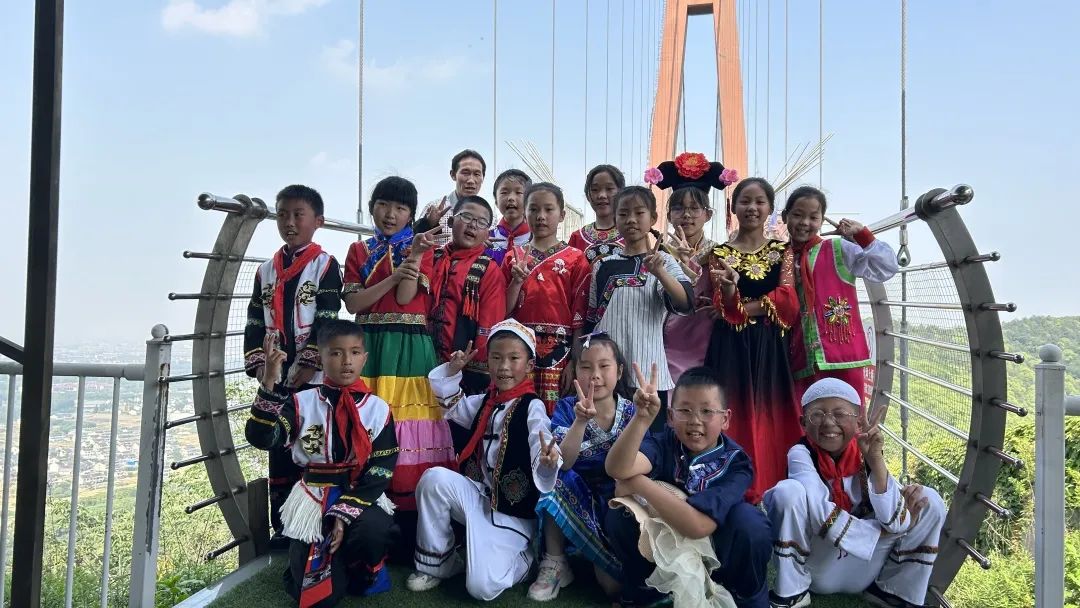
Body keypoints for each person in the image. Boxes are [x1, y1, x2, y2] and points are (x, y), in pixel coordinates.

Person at [245, 319, 399, 607]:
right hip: (313, 496)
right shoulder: (301, 403)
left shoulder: (378, 409)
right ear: (321, 359)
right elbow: (262, 437)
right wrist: (269, 383)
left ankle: (361, 569)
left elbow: (382, 468)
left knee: (373, 531)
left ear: (365, 358)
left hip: (360, 492)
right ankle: (311, 568)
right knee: (318, 600)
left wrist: (343, 513)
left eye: (354, 352)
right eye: (336, 353)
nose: (346, 361)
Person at [407, 320, 562, 601]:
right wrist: (453, 371)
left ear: (529, 365)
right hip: (479, 498)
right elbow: (453, 407)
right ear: (487, 361)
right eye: (496, 358)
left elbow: (539, 440)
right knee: (434, 479)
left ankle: (525, 560)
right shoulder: (485, 402)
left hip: (511, 515)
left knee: (481, 588)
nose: (503, 366)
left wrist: (547, 461)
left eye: (513, 358)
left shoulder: (532, 406)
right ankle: (439, 562)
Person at [764, 378, 944, 608]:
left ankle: (894, 592)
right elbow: (820, 513)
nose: (829, 422)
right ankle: (792, 592)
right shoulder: (801, 454)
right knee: (787, 492)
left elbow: (896, 523)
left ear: (858, 422)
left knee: (929, 499)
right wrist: (882, 533)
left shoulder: (866, 453)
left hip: (866, 566)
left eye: (840, 414)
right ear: (803, 423)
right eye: (817, 415)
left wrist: (875, 459)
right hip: (820, 566)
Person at [604, 365, 772, 608]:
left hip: (718, 550)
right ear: (670, 416)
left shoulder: (736, 463)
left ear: (725, 419)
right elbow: (616, 468)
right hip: (667, 544)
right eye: (685, 410)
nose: (695, 421)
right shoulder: (665, 442)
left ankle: (743, 595)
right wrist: (641, 419)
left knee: (750, 522)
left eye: (707, 411)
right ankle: (647, 589)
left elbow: (698, 526)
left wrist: (638, 483)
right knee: (621, 512)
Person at [342, 176, 456, 525]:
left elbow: (407, 298)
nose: (390, 214)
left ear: (411, 214)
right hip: (369, 345)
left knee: (406, 424)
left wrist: (417, 254)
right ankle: (361, 507)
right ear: (372, 206)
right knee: (366, 420)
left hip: (408, 346)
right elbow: (353, 303)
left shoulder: (423, 247)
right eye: (383, 205)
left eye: (400, 208)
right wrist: (391, 278)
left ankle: (407, 514)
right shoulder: (358, 250)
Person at [243, 184, 342, 542]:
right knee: (278, 446)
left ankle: (315, 523)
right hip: (276, 376)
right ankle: (284, 527)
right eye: (283, 214)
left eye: (299, 215)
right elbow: (255, 320)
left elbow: (328, 316)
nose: (289, 222)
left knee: (312, 443)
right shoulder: (265, 270)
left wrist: (311, 360)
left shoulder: (325, 265)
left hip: (312, 379)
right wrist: (259, 364)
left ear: (318, 221)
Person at [704, 177, 801, 502]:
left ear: (770, 209)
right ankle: (734, 488)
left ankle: (776, 489)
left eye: (760, 202)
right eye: (745, 201)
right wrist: (733, 297)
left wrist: (741, 307)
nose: (752, 208)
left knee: (771, 413)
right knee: (732, 412)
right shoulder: (719, 253)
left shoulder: (782, 251)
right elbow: (722, 304)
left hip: (769, 346)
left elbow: (789, 301)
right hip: (731, 347)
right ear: (733, 207)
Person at [529, 332, 636, 601]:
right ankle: (555, 561)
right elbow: (566, 460)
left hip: (617, 500)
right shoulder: (567, 408)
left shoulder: (633, 412)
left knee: (612, 587)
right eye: (586, 367)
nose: (595, 375)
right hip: (576, 494)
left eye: (604, 366)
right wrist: (580, 421)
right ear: (575, 371)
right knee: (555, 475)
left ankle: (598, 554)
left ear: (619, 371)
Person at [585, 186, 693, 429]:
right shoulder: (602, 265)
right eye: (623, 214)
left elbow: (685, 302)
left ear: (653, 218)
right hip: (606, 375)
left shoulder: (665, 261)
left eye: (639, 213)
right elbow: (591, 320)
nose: (631, 219)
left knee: (648, 443)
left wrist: (660, 273)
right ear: (615, 220)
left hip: (647, 375)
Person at [782, 186, 899, 404]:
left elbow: (886, 267)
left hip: (844, 358)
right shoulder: (781, 257)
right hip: (801, 357)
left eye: (813, 217)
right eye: (797, 215)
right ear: (784, 216)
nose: (805, 222)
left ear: (821, 221)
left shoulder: (837, 248)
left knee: (848, 415)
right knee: (807, 416)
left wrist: (862, 235)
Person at [645, 154, 739, 379]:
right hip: (665, 336)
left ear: (708, 214)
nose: (686, 215)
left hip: (708, 336)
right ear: (669, 215)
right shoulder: (658, 254)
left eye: (695, 208)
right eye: (678, 208)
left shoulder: (720, 253)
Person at [504, 182, 591, 412]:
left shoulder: (576, 258)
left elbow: (579, 315)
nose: (541, 216)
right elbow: (502, 310)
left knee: (555, 414)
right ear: (525, 213)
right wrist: (516, 282)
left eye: (548, 209)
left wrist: (575, 360)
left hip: (561, 352)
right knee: (517, 410)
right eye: (533, 209)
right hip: (518, 347)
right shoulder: (513, 257)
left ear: (561, 215)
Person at [428, 195, 507, 396]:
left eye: (481, 222)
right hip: (421, 358)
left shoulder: (489, 270)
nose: (472, 225)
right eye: (466, 217)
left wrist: (476, 369)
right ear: (451, 221)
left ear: (487, 233)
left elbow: (489, 322)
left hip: (462, 369)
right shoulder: (431, 257)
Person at [415, 149, 487, 248]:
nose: (471, 180)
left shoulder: (488, 216)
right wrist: (428, 224)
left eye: (477, 174)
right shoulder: (434, 208)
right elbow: (414, 244)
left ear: (483, 177)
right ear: (453, 175)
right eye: (465, 173)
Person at [569, 164, 627, 264]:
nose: (602, 195)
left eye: (609, 189)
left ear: (621, 193)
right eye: (595, 190)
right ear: (588, 195)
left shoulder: (632, 233)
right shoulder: (577, 238)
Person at [487, 168, 533, 264]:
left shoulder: (536, 239)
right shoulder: (486, 238)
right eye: (504, 193)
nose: (511, 198)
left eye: (519, 192)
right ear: (496, 201)